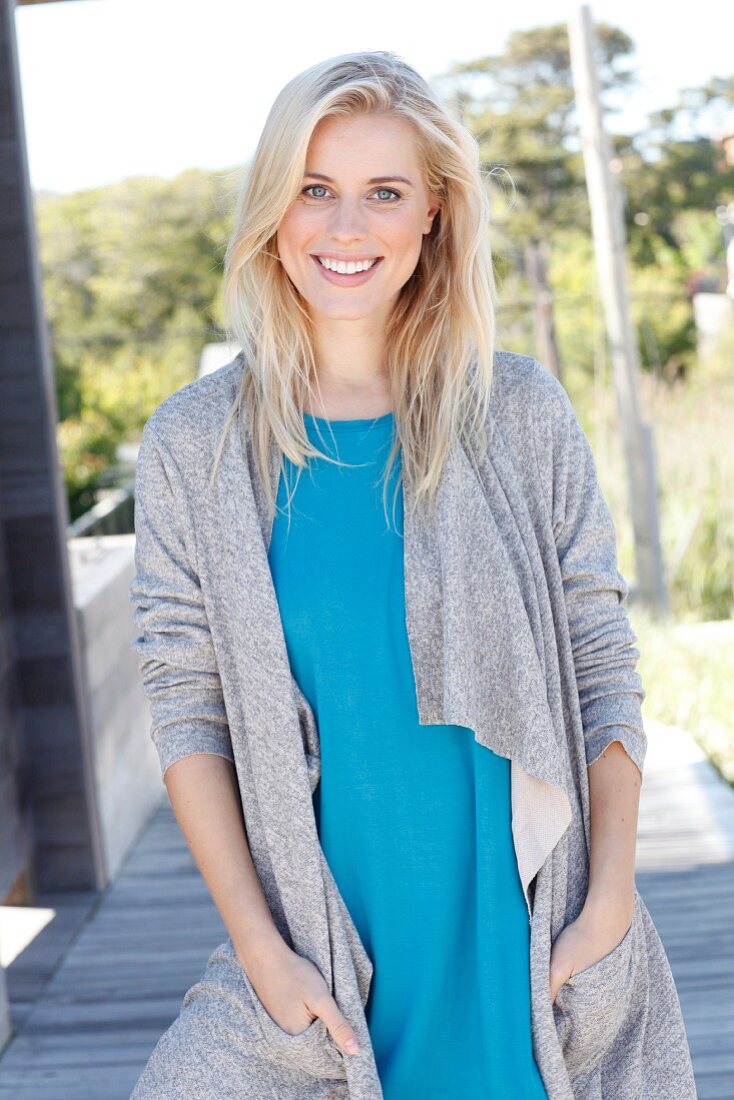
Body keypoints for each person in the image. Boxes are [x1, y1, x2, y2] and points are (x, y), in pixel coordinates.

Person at [128, 50, 696, 1100]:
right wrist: (259, 947)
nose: (345, 229)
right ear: (272, 207)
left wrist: (607, 895)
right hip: (318, 959)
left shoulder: (515, 413)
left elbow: (599, 657)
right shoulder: (195, 446)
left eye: (382, 193)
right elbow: (186, 707)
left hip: (525, 954)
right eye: (314, 189)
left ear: (432, 212)